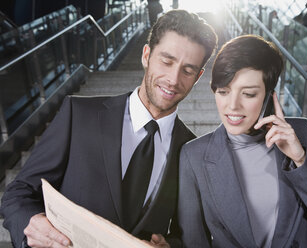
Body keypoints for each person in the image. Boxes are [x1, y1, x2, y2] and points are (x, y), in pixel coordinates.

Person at [0, 9, 217, 248]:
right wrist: (29, 222)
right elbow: (18, 192)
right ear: (146, 55)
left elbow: (188, 237)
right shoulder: (79, 114)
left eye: (187, 70)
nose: (173, 79)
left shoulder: (192, 150)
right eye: (166, 61)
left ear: (198, 77)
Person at [177, 35, 307, 247]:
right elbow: (194, 242)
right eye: (223, 92)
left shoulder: (303, 134)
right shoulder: (194, 156)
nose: (232, 106)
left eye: (248, 94)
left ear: (269, 96)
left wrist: (300, 159)